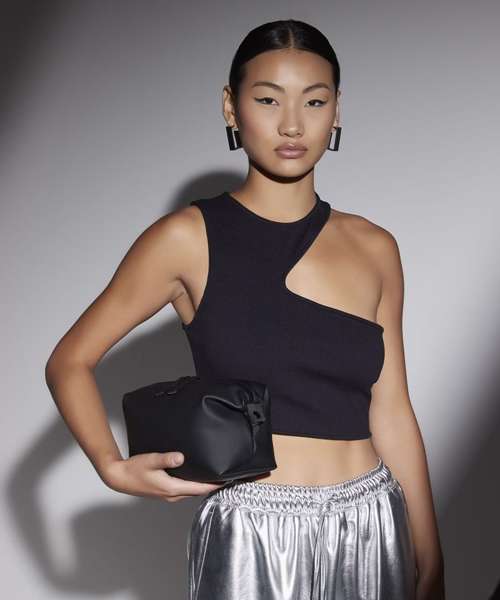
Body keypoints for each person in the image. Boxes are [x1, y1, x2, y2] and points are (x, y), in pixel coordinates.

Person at [45, 18, 445, 600]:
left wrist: (429, 552)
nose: (292, 123)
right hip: (254, 532)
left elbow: (392, 408)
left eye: (314, 101)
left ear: (337, 111)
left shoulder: (375, 247)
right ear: (231, 107)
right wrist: (112, 466)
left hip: (371, 523)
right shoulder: (186, 238)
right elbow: (70, 361)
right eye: (267, 99)